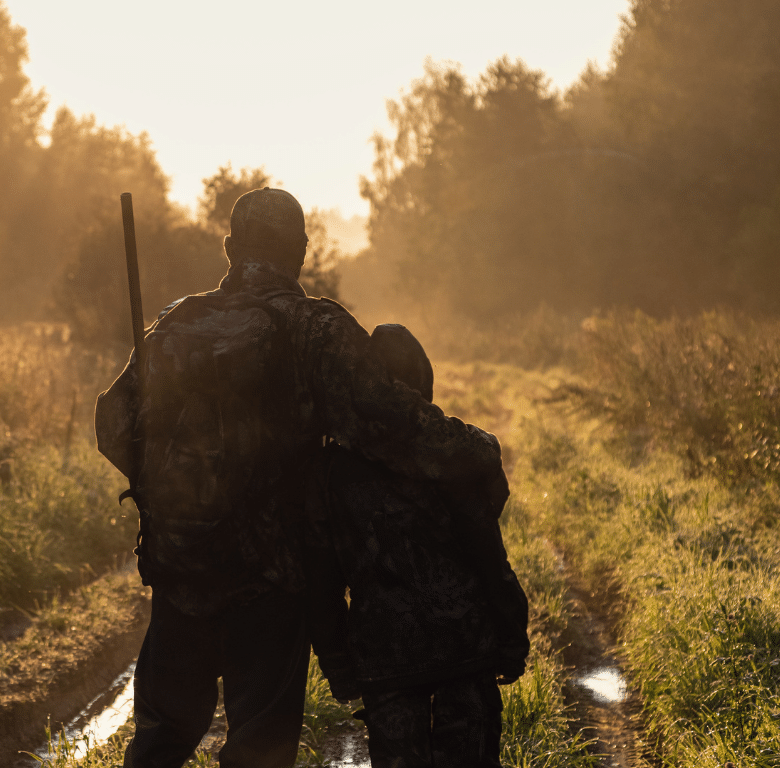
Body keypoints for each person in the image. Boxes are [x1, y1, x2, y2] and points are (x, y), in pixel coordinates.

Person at [95, 188, 505, 768]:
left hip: (180, 568)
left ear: (231, 247)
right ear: (302, 251)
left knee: (160, 740)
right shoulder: (314, 328)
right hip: (271, 578)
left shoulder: (178, 320)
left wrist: (179, 495)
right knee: (258, 746)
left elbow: (114, 425)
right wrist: (477, 448)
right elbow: (391, 425)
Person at [304, 323, 529, 768]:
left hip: (384, 662)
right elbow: (489, 557)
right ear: (422, 382)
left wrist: (338, 664)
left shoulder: (330, 475)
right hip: (465, 649)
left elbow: (321, 584)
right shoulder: (452, 458)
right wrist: (511, 637)